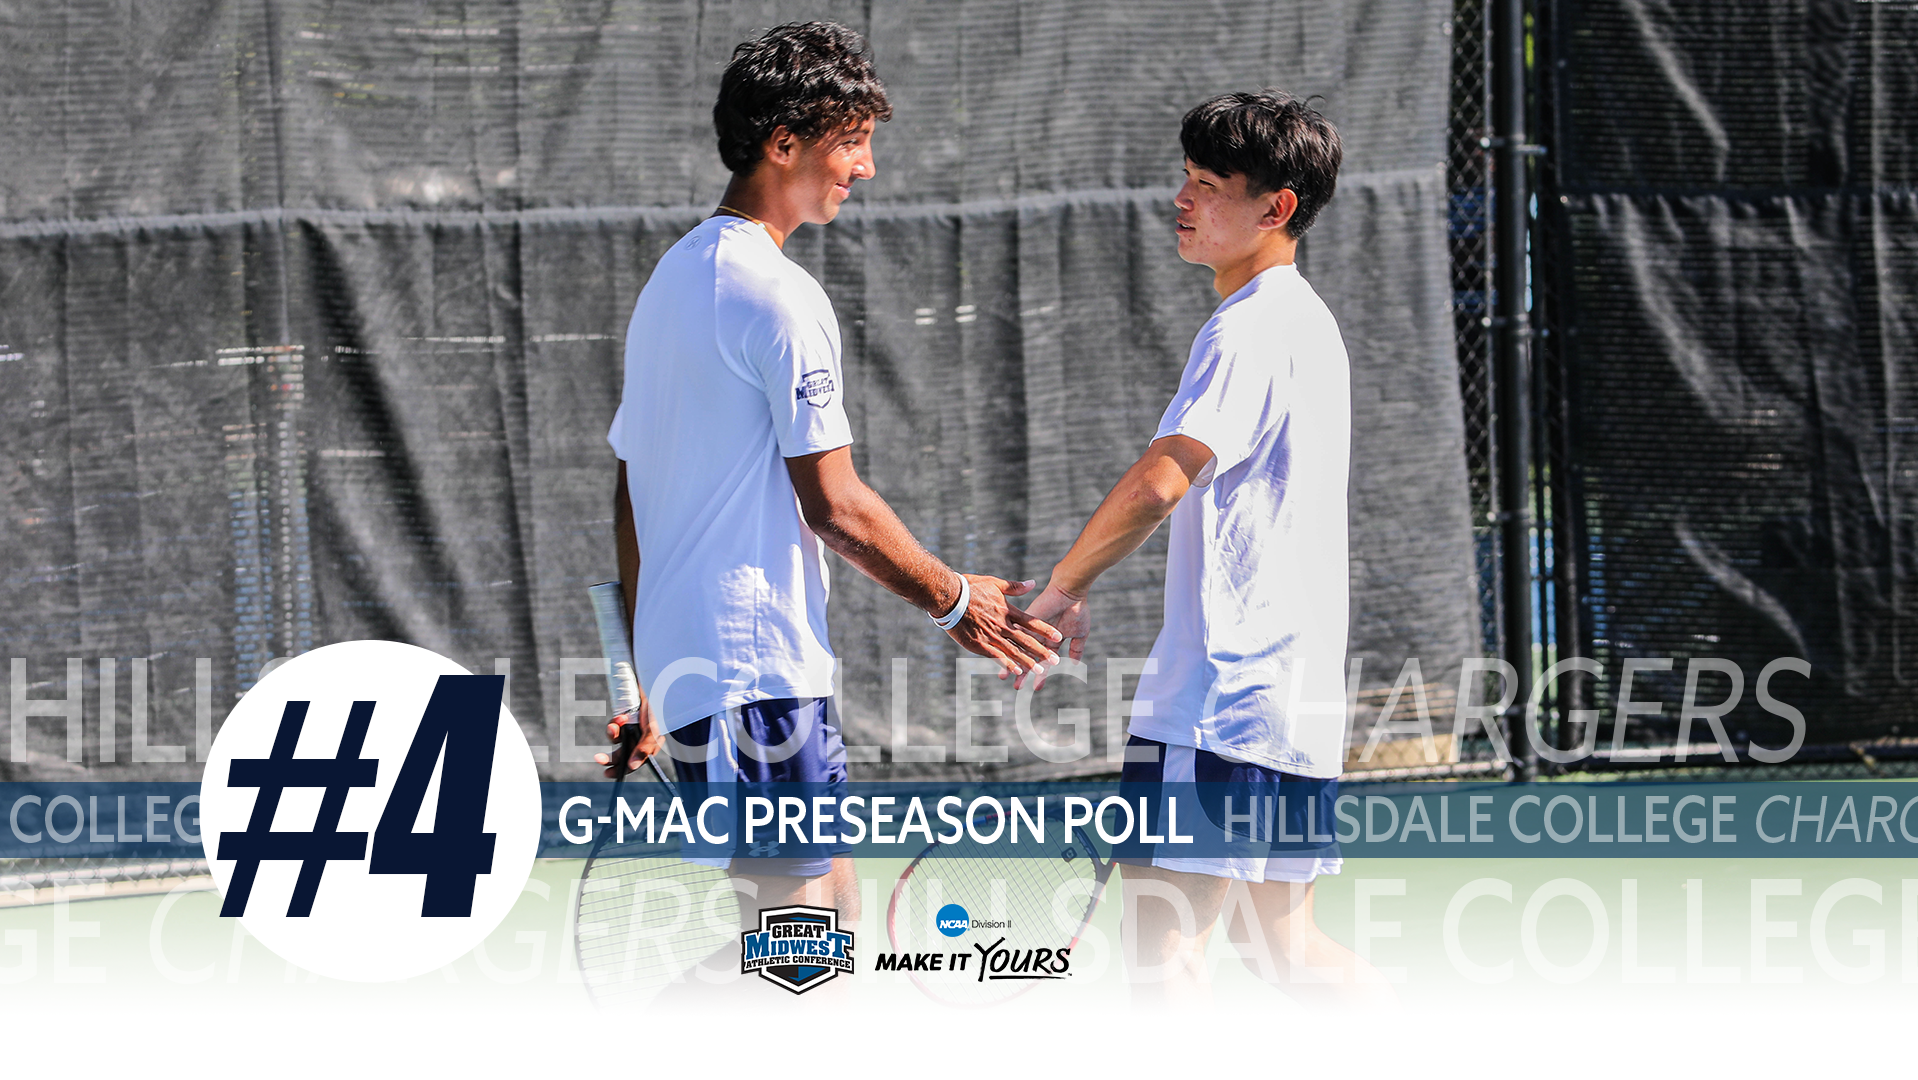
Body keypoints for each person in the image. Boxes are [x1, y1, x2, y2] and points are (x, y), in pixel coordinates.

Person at [599, 21, 1061, 994]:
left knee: (829, 927)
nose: (868, 165)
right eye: (850, 141)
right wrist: (953, 598)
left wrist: (649, 678)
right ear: (784, 143)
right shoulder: (776, 295)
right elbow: (835, 503)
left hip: (705, 674)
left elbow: (628, 494)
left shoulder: (670, 283)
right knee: (802, 946)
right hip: (753, 673)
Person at [1022, 91, 1393, 1007]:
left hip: (1221, 702)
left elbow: (1162, 480)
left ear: (1278, 209)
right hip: (1292, 706)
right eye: (1184, 180)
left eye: (1208, 186)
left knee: (1164, 961)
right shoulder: (1307, 323)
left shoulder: (1251, 326)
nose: (1182, 201)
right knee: (1288, 953)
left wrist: (1061, 586)